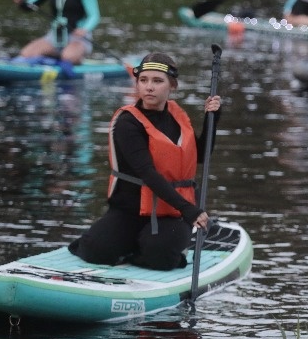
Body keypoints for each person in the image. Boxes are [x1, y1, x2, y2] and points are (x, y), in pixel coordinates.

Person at [68, 52, 221, 270]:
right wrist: (190, 210)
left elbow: (199, 157)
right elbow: (147, 173)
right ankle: (131, 244)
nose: (149, 87)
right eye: (143, 80)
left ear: (172, 86)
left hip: (172, 211)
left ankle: (151, 248)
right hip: (130, 208)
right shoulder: (127, 122)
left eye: (157, 81)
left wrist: (212, 119)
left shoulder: (177, 116)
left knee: (160, 256)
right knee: (96, 251)